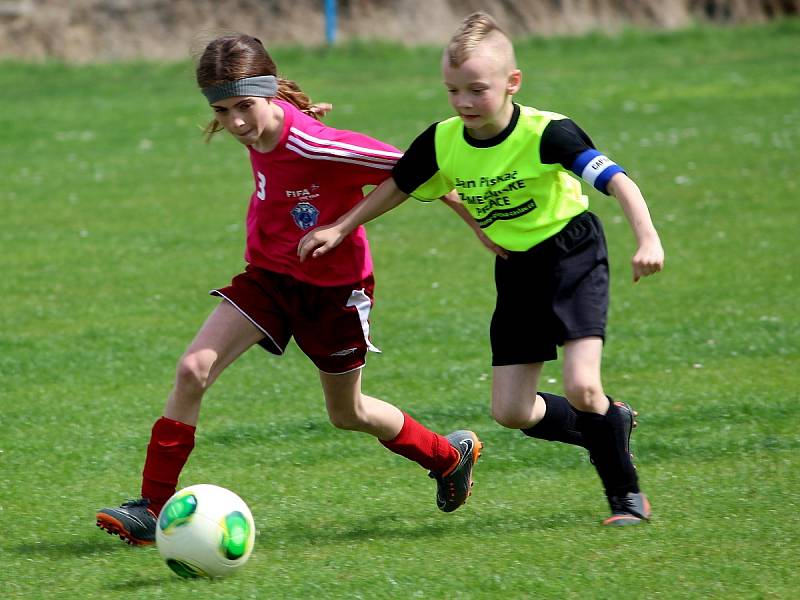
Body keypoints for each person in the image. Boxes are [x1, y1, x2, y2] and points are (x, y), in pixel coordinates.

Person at [95, 34, 482, 546]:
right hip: (270, 279)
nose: (235, 123)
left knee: (348, 414)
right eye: (222, 109)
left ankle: (447, 456)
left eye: (244, 107)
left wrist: (480, 228)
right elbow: (265, 131)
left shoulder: (314, 143)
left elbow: (420, 170)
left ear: (268, 93)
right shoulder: (258, 128)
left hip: (333, 292)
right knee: (192, 370)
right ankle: (152, 508)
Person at [298, 12, 664, 526]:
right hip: (516, 271)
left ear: (513, 83)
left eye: (477, 90)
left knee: (583, 386)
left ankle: (626, 499)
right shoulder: (443, 140)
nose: (464, 103)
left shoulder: (547, 133)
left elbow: (619, 181)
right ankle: (609, 423)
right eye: (453, 91)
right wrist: (341, 227)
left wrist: (647, 238)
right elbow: (399, 184)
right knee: (512, 412)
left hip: (572, 256)